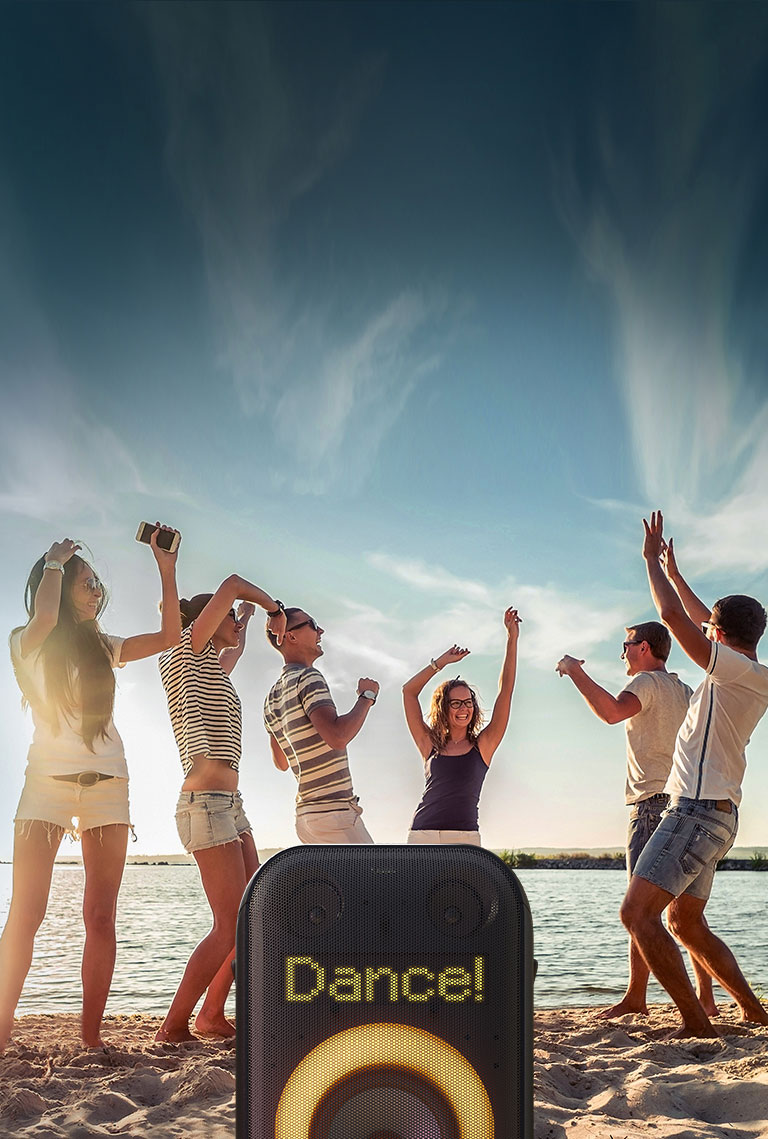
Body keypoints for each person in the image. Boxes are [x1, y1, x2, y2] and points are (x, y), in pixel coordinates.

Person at [1, 527, 180, 1052]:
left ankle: (92, 1038)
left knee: (100, 915)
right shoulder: (26, 642)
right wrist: (56, 560)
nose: (96, 591)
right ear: (53, 586)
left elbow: (169, 638)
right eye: (87, 583)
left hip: (108, 789)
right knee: (26, 914)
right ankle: (2, 1029)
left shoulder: (105, 647)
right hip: (45, 789)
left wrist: (165, 569)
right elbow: (47, 617)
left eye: (96, 583)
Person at [620, 511, 768, 1037]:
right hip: (719, 815)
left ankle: (695, 1024)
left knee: (637, 916)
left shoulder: (730, 669)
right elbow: (703, 617)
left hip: (696, 810)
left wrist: (651, 564)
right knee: (685, 923)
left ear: (721, 635)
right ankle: (753, 1009)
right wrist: (678, 573)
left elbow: (671, 616)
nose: (705, 630)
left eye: (712, 629)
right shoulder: (752, 671)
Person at [555, 622, 713, 1018]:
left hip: (651, 806)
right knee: (685, 912)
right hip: (687, 803)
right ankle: (706, 996)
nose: (622, 653)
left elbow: (611, 713)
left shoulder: (646, 682)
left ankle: (636, 998)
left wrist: (576, 671)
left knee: (639, 907)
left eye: (625, 645)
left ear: (643, 647)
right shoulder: (684, 689)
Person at [155, 576, 287, 1042]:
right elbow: (231, 583)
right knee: (228, 920)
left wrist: (246, 622)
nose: (233, 621)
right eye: (226, 616)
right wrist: (273, 606)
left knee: (252, 913)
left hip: (231, 804)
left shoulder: (210, 667)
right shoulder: (181, 655)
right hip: (204, 805)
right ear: (203, 622)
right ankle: (173, 1025)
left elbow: (233, 649)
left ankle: (211, 1014)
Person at [402, 607, 521, 846]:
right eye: (455, 703)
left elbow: (505, 691)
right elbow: (409, 692)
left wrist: (512, 639)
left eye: (468, 702)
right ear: (443, 707)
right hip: (422, 834)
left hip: (464, 837)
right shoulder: (430, 745)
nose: (463, 708)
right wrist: (440, 663)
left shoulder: (483, 746)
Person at [264, 607, 377, 844]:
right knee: (376, 881)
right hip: (334, 814)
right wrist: (367, 697)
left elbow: (282, 763)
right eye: (313, 624)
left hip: (306, 819)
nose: (321, 630)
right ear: (291, 636)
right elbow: (337, 737)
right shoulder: (308, 678)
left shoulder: (271, 697)